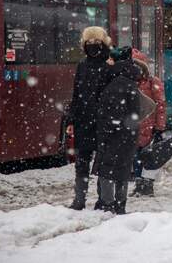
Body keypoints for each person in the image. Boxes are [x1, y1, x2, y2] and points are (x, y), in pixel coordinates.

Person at [67, 27, 112, 211]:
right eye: (89, 43)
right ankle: (82, 199)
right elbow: (76, 95)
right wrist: (71, 119)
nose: (93, 46)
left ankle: (98, 199)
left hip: (99, 122)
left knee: (98, 162)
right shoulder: (83, 66)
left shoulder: (109, 66)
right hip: (86, 121)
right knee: (85, 162)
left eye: (96, 43)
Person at [92, 47, 142, 214]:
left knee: (107, 169)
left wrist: (105, 132)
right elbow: (135, 112)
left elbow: (107, 113)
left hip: (113, 134)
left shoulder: (113, 84)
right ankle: (121, 205)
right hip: (129, 134)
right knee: (123, 170)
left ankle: (107, 204)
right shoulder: (132, 84)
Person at [131, 49, 166, 196]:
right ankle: (140, 183)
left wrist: (159, 127)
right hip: (134, 125)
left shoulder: (152, 82)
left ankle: (146, 184)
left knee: (147, 156)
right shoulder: (132, 81)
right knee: (136, 156)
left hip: (147, 127)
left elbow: (160, 105)